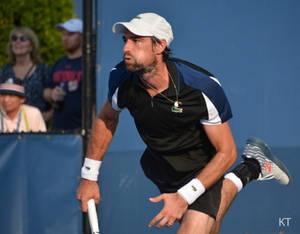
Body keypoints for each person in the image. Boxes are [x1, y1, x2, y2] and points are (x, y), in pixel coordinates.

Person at [76, 13, 291, 234]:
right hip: (161, 165)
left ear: (159, 45)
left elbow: (226, 153)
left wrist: (185, 196)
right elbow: (107, 118)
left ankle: (251, 167)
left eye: (136, 40)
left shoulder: (201, 88)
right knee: (208, 228)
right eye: (126, 40)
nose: (126, 48)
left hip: (204, 166)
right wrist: (89, 177)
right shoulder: (121, 79)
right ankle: (252, 167)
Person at [0, 26, 52, 123]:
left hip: (37, 128)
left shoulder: (44, 70)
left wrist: (49, 115)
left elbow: (58, 100)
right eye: (14, 39)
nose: (18, 41)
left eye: (23, 39)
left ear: (32, 46)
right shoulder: (4, 71)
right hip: (9, 128)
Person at [43, 18, 83, 131]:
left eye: (70, 34)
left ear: (82, 36)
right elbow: (46, 91)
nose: (65, 38)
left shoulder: (90, 63)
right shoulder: (59, 62)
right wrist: (52, 94)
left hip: (82, 130)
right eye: (63, 34)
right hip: (58, 129)